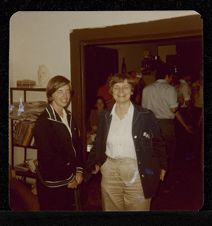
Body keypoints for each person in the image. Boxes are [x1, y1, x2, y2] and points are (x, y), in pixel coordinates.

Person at [87, 73, 167, 211]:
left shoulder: (145, 115)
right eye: (116, 87)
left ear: (132, 90)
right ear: (111, 92)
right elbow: (99, 142)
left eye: (125, 87)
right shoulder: (105, 116)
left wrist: (163, 166)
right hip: (110, 170)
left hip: (137, 170)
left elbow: (158, 142)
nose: (121, 91)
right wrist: (94, 163)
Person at [34, 75, 84, 211]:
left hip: (71, 177)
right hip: (54, 183)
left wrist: (79, 170)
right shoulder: (43, 122)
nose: (65, 96)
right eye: (60, 91)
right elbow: (48, 158)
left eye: (67, 91)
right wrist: (69, 178)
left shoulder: (68, 116)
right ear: (51, 95)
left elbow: (76, 145)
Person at [142, 63, 192, 187]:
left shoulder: (147, 89)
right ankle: (165, 180)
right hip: (165, 124)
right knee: (168, 152)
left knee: (152, 152)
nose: (171, 79)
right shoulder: (170, 89)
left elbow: (143, 109)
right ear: (167, 76)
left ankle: (153, 178)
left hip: (149, 123)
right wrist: (179, 102)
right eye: (171, 76)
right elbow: (174, 110)